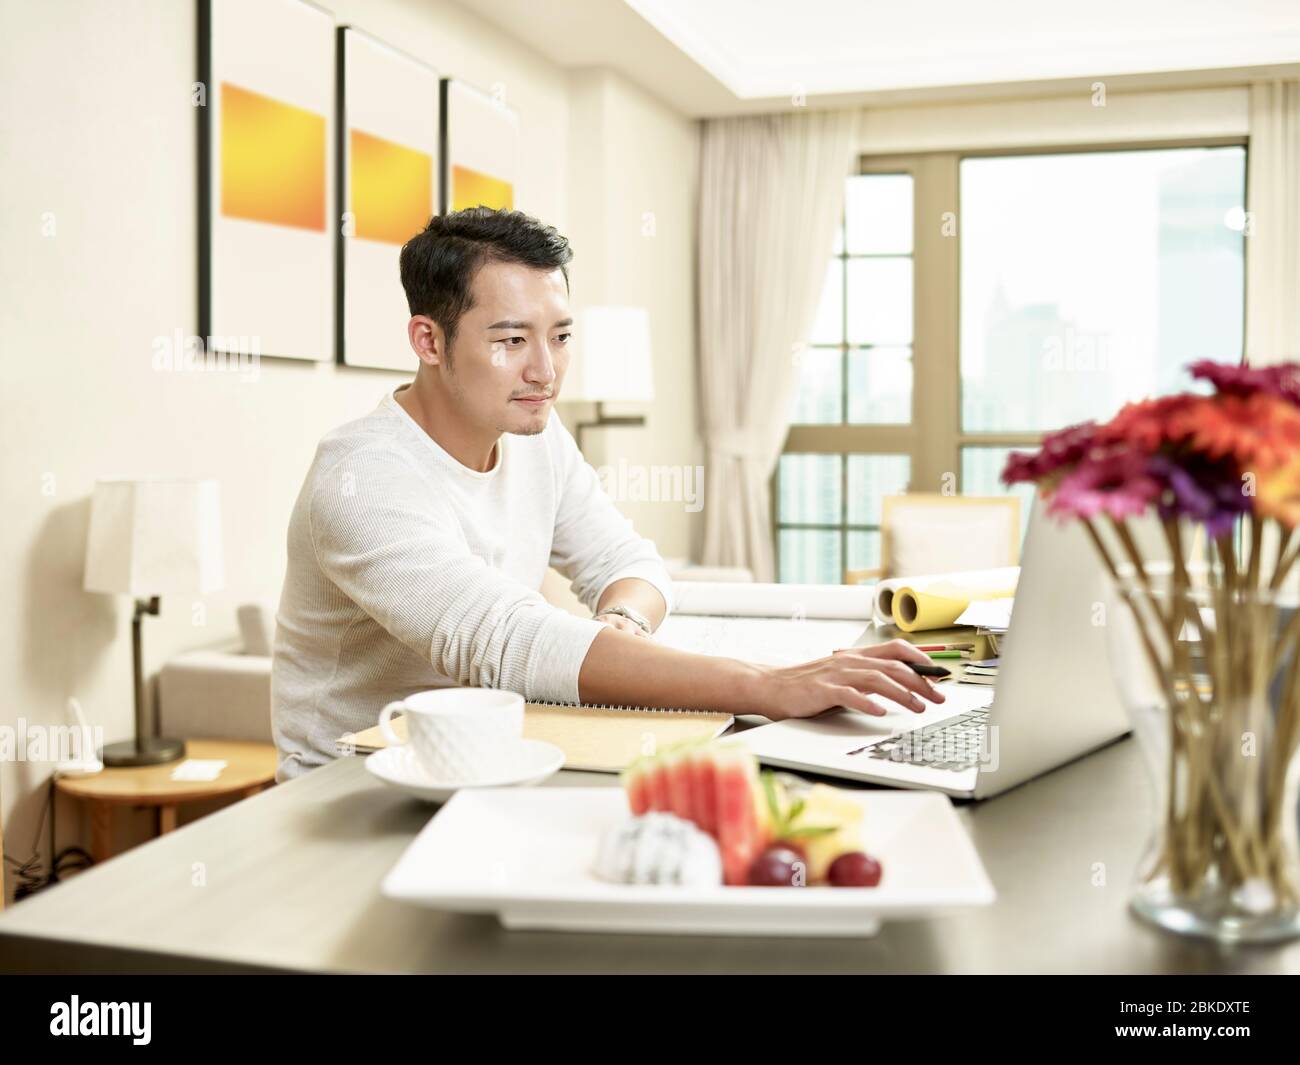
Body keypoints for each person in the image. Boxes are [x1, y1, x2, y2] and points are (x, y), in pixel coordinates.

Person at [271, 207, 942, 781]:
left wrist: (625, 622)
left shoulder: (533, 430)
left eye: (559, 337)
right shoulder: (361, 478)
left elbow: (630, 561)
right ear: (429, 341)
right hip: (353, 782)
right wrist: (768, 682)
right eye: (510, 340)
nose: (545, 371)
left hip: (492, 756)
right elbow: (505, 640)